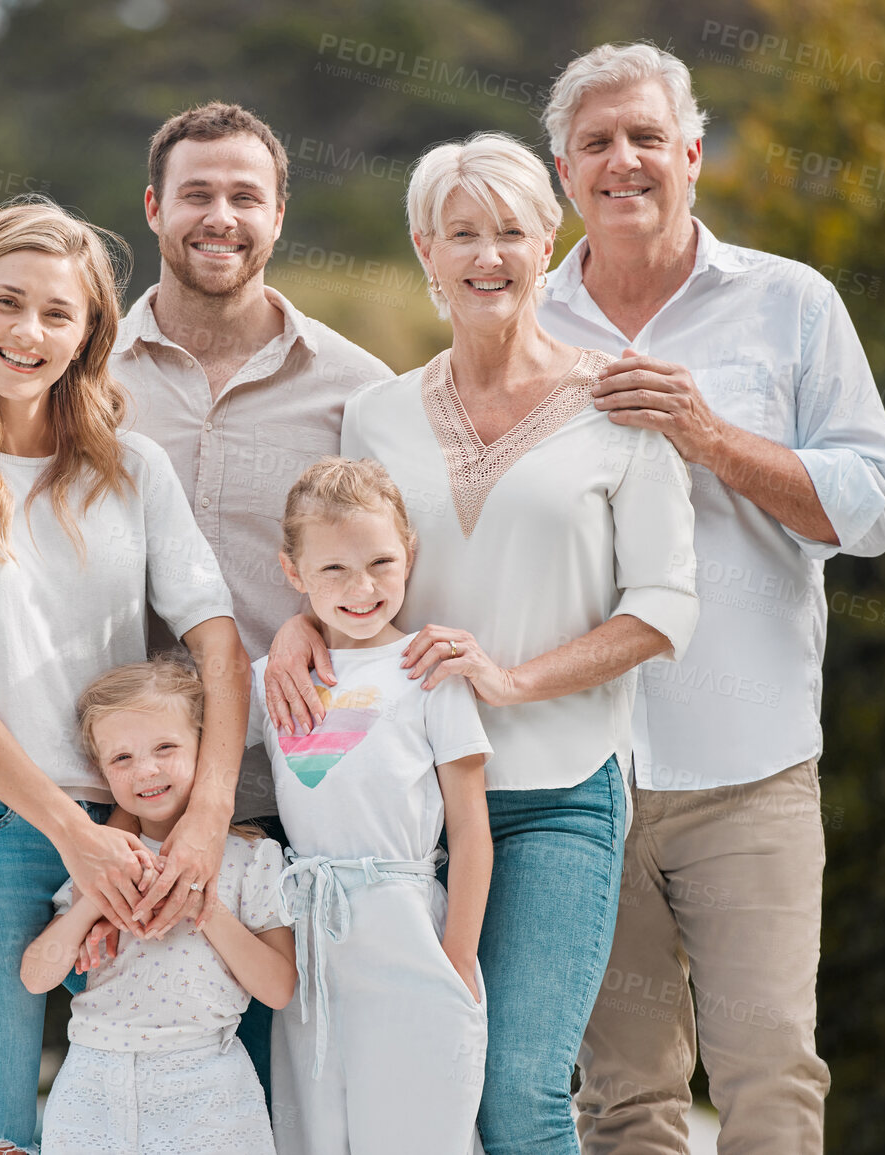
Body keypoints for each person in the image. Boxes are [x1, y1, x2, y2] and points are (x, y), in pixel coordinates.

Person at [0, 102, 394, 1094]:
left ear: (280, 214)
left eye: (244, 194)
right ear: (154, 209)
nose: (220, 215)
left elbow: (381, 572)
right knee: (43, 1107)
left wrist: (307, 621)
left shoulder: (356, 392)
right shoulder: (46, 409)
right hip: (65, 809)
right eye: (196, 194)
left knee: (245, 1098)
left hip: (275, 799)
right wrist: (90, 834)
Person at [263, 132, 699, 1155]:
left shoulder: (621, 406)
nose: (487, 255)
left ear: (551, 242)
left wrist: (513, 680)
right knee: (413, 1098)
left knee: (517, 1093)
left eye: (511, 230)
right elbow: (341, 559)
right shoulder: (373, 414)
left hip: (552, 797)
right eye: (463, 233)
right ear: (426, 248)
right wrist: (292, 626)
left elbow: (668, 605)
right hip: (394, 814)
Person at [536, 43, 885, 1155]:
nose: (624, 161)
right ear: (565, 172)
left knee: (773, 1078)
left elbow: (876, 507)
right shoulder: (525, 319)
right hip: (581, 775)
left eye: (647, 137)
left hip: (751, 769)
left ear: (693, 155)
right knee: (625, 1101)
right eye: (597, 142)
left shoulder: (792, 305)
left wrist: (712, 439)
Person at [0, 196, 248, 1154]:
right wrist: (72, 833)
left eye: (57, 312)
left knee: (152, 1123)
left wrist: (201, 818)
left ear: (88, 335)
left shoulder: (136, 471)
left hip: (137, 836)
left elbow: (217, 641)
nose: (28, 332)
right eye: (6, 302)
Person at [250, 457, 491, 1154]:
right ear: (292, 572)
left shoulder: (429, 670)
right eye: (332, 571)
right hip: (312, 940)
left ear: (408, 552)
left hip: (408, 929)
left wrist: (455, 962)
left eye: (381, 562)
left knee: (418, 1131)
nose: (361, 588)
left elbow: (471, 832)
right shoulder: (273, 675)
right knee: (319, 1131)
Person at [23, 659, 296, 1155]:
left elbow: (279, 988)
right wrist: (92, 905)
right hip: (92, 1087)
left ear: (204, 746)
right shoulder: (99, 861)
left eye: (165, 748)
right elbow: (37, 977)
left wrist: (201, 907)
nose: (146, 770)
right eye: (121, 758)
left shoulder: (253, 857)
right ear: (101, 771)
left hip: (209, 1088)